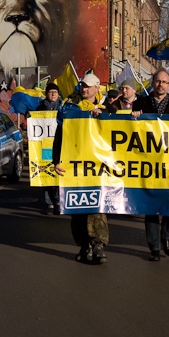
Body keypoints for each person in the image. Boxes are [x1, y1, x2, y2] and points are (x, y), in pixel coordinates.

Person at [53, 73, 110, 264]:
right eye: (82, 86)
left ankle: (98, 245)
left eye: (88, 86)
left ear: (97, 88)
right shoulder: (69, 107)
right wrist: (56, 160)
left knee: (97, 206)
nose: (84, 89)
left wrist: (102, 117)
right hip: (74, 164)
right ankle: (84, 245)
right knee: (77, 207)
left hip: (97, 166)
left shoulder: (107, 107)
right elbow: (60, 135)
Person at [131, 68, 169, 261]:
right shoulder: (141, 103)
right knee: (151, 206)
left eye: (164, 82)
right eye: (157, 81)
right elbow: (131, 130)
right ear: (152, 83)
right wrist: (134, 117)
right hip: (149, 162)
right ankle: (154, 247)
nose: (160, 85)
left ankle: (166, 237)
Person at [36, 83, 61, 214]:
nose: (53, 94)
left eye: (55, 92)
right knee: (46, 173)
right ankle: (50, 203)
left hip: (59, 144)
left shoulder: (63, 107)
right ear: (46, 94)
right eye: (50, 92)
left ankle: (58, 201)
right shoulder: (40, 108)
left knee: (58, 173)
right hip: (45, 145)